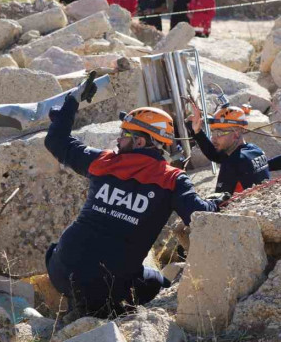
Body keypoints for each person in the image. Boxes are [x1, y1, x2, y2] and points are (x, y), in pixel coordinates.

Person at [43, 73, 221, 318]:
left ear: (139, 141)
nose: (118, 138)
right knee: (160, 284)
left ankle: (78, 309)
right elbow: (201, 216)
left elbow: (56, 140)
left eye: (124, 134)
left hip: (61, 271)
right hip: (110, 285)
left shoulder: (102, 161)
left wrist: (72, 101)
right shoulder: (172, 179)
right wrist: (218, 202)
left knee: (55, 251)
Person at [186, 102, 270, 194]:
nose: (213, 138)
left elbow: (219, 202)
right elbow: (215, 155)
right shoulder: (255, 151)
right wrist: (197, 131)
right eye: (213, 132)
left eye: (219, 133)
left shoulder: (233, 162)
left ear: (236, 133)